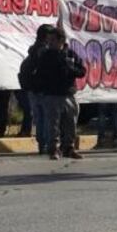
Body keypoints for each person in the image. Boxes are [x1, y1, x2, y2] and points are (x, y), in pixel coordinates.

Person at [35, 28, 86, 160]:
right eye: (48, 40)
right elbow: (39, 74)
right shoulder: (46, 55)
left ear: (61, 40)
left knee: (71, 124)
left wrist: (70, 67)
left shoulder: (70, 54)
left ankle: (69, 148)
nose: (50, 43)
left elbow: (81, 71)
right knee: (53, 125)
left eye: (52, 40)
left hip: (68, 94)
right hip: (52, 95)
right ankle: (54, 149)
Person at [19, 24, 54, 154]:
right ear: (46, 36)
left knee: (39, 117)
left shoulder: (33, 50)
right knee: (45, 117)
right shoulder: (44, 50)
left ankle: (42, 144)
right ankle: (45, 143)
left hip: (32, 88)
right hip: (42, 89)